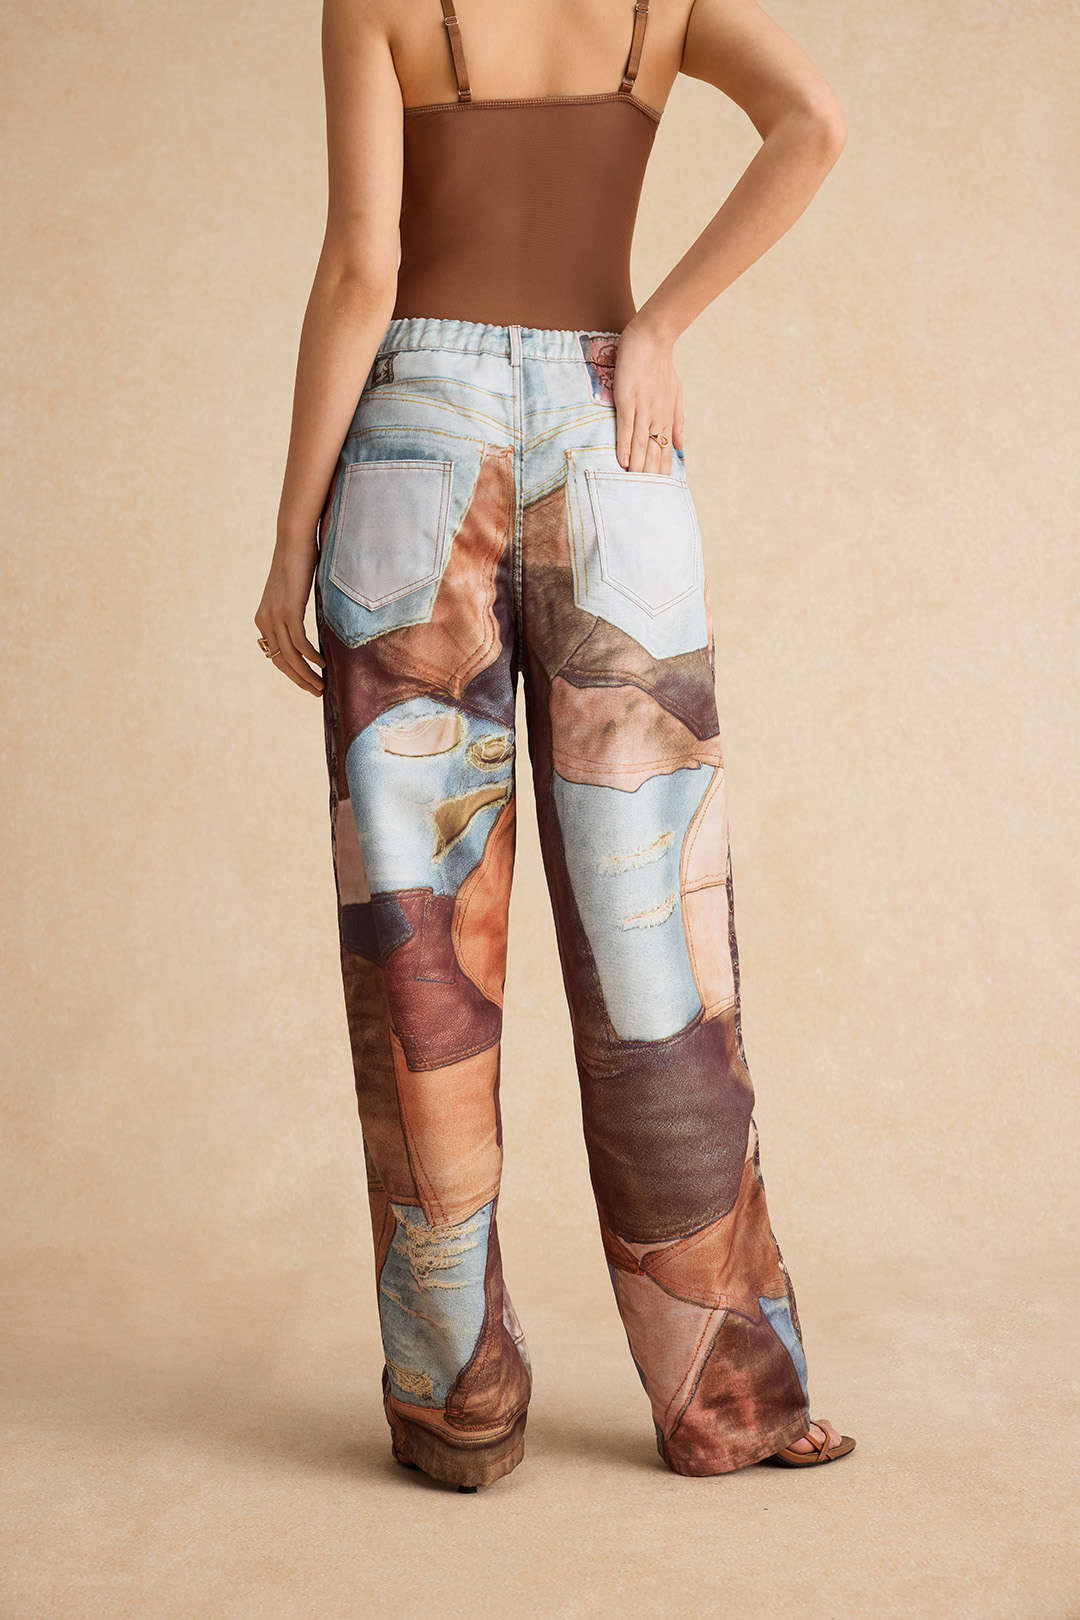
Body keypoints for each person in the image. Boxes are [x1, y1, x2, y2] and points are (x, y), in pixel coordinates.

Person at [254, 0, 852, 1491]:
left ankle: (457, 1404)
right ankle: (731, 1400)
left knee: (418, 947)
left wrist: (291, 532)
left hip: (414, 441)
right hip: (611, 437)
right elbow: (813, 125)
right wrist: (657, 324)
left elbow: (364, 269)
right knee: (661, 957)